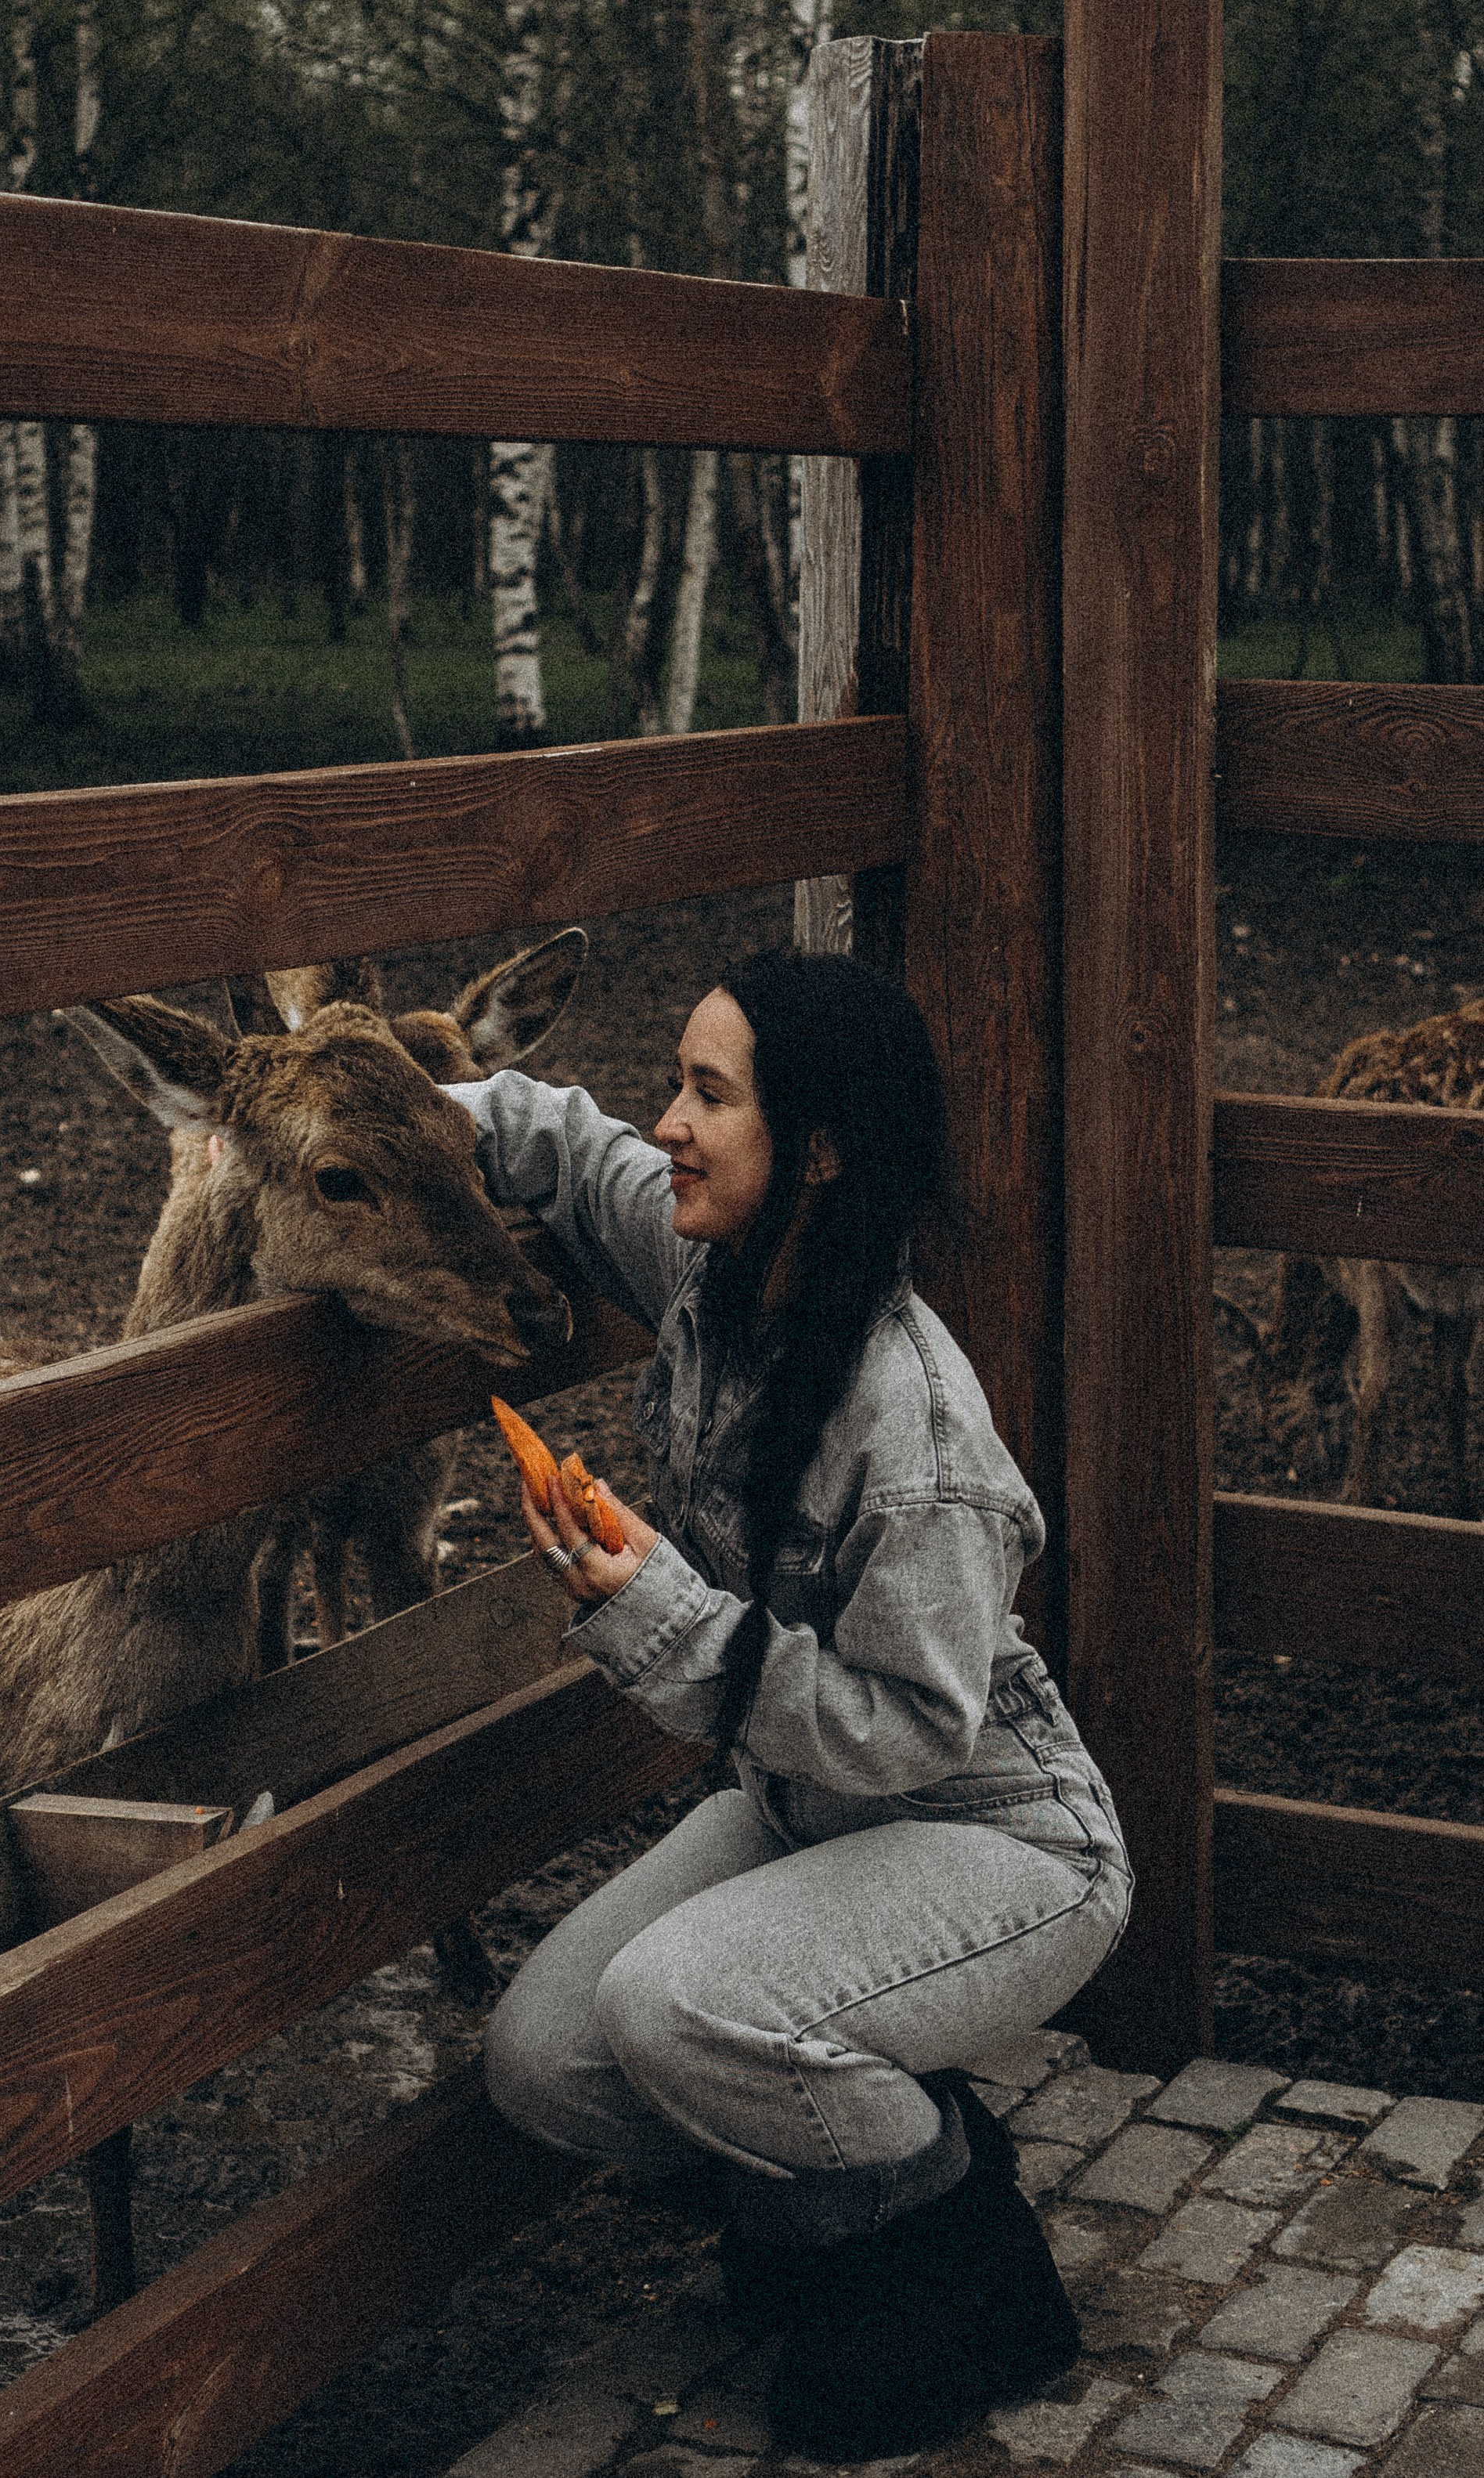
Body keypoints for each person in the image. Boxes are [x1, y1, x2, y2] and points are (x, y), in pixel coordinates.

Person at [449, 945, 1132, 2462]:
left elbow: (909, 1733)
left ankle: (945, 2259)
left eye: (706, 1093)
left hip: (1000, 1842)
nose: (667, 1121)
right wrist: (367, 1113)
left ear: (816, 1153)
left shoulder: (918, 1435)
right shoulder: (710, 1267)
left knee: (677, 2006)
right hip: (808, 1810)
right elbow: (557, 1143)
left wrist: (662, 1618)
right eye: (676, 1084)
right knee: (547, 2064)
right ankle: (836, 2171)